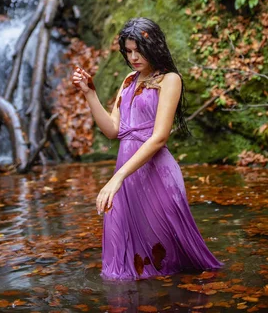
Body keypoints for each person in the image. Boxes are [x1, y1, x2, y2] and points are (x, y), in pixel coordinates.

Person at [72, 17, 223, 280]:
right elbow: (112, 130)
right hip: (125, 176)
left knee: (165, 261)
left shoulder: (170, 80)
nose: (133, 57)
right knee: (121, 252)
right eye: (128, 51)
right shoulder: (129, 80)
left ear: (154, 46)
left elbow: (159, 137)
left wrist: (116, 178)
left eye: (138, 50)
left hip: (156, 175)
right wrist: (89, 94)